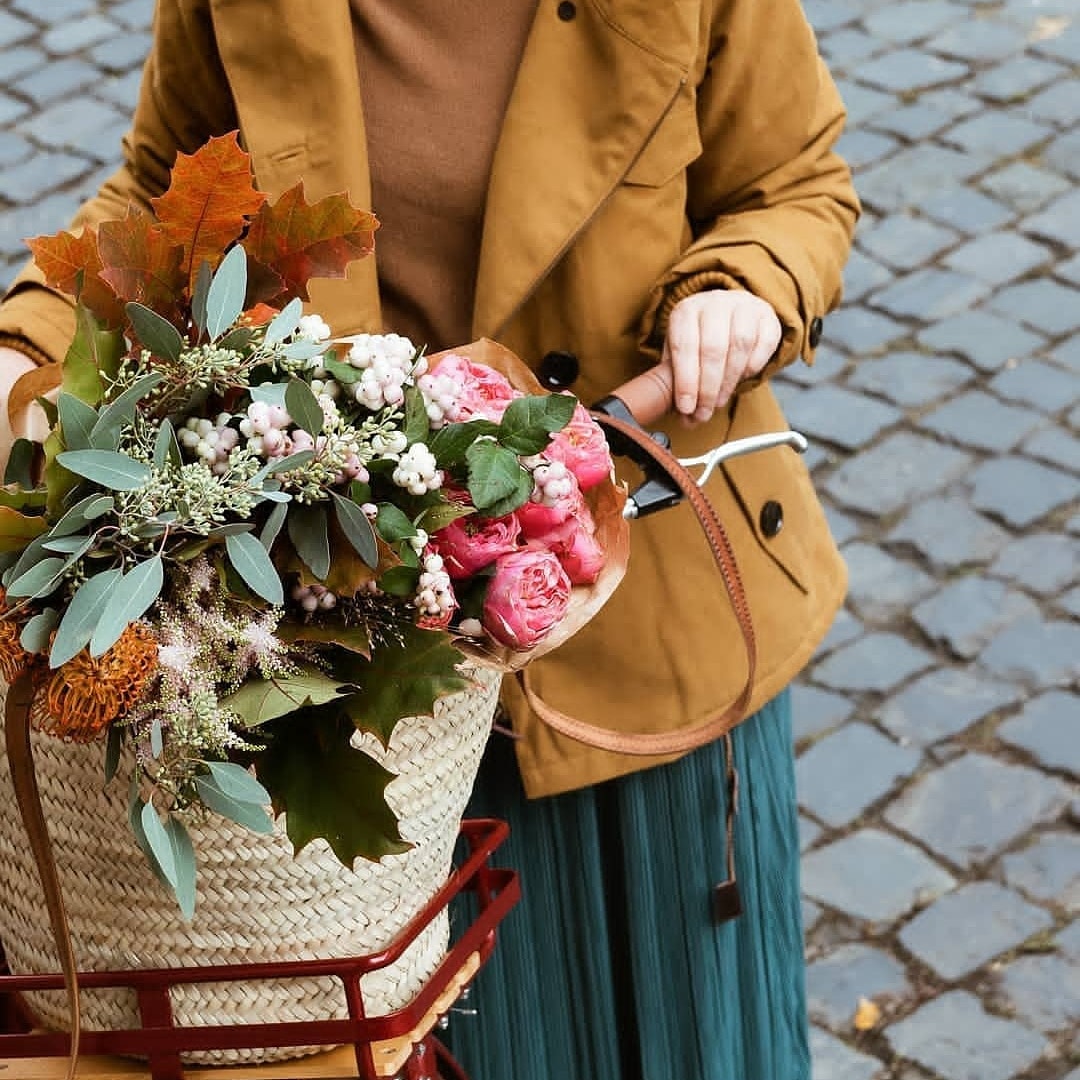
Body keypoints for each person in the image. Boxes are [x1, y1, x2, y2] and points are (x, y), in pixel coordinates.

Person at [0, 1, 859, 1077]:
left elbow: (792, 188)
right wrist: (27, 334)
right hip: (365, 660)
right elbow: (162, 199)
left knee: (673, 1033)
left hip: (640, 635)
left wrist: (747, 286)